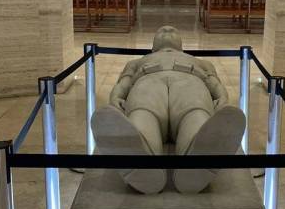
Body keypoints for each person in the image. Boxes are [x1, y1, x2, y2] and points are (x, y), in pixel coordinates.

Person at [91, 26, 246, 195]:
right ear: (152, 48)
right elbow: (123, 83)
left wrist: (222, 97)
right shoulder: (136, 62)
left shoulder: (201, 62)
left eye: (173, 31)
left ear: (182, 47)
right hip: (147, 86)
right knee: (142, 115)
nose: (167, 29)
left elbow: (214, 83)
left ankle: (195, 162)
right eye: (161, 31)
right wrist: (116, 96)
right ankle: (143, 163)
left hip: (191, 85)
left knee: (195, 115)